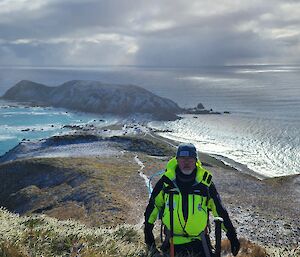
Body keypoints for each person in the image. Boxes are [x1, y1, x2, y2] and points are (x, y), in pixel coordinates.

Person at [144, 143, 240, 257]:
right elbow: (153, 207)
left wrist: (232, 237)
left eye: (190, 158)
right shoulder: (166, 182)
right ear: (177, 160)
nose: (186, 162)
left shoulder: (205, 184)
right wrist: (148, 233)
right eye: (182, 158)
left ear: (196, 161)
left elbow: (219, 210)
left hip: (200, 242)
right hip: (172, 242)